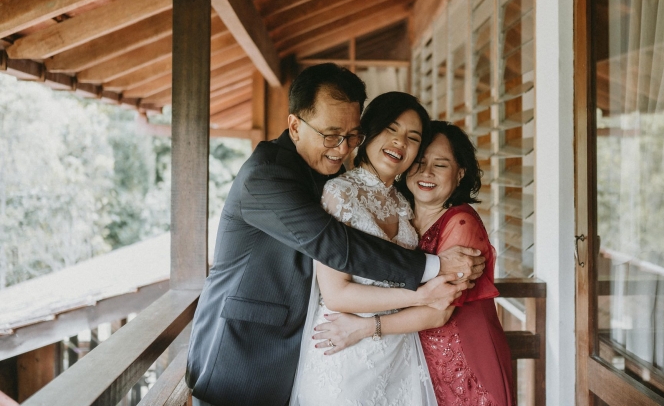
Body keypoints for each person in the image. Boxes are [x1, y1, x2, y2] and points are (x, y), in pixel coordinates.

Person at [185, 64, 485, 406]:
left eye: (351, 136)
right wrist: (432, 269)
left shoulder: (337, 175)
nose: (342, 149)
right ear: (295, 125)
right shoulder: (266, 176)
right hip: (245, 353)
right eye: (331, 135)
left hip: (320, 349)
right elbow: (333, 245)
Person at [315, 121, 516, 405]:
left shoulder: (461, 222)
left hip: (463, 364)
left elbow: (439, 314)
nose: (427, 172)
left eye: (441, 165)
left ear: (460, 173)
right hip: (418, 362)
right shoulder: (404, 215)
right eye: (420, 162)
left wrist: (364, 327)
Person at [292, 92, 440, 406]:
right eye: (392, 129)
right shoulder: (339, 192)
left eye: (412, 137)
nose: (401, 142)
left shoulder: (403, 204)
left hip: (397, 351)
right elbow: (336, 293)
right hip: (345, 348)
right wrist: (420, 296)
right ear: (369, 131)